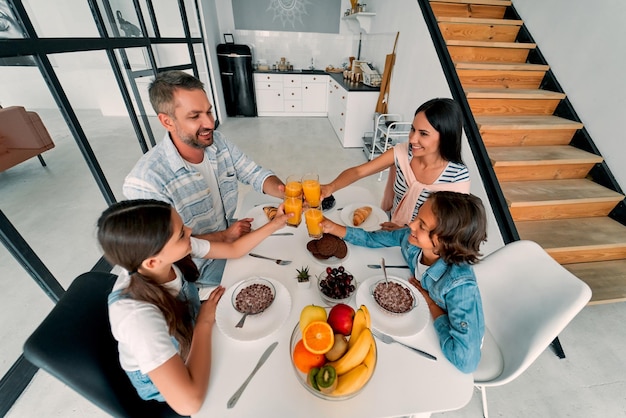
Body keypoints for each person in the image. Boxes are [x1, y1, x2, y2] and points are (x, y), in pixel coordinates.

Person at [97, 199, 290, 414]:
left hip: (192, 333)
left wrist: (276, 224)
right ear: (152, 262)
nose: (190, 230)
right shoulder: (137, 317)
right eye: (181, 233)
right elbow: (189, 402)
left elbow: (233, 249)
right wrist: (204, 323)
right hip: (175, 383)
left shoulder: (164, 252)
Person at [123, 70, 285, 287]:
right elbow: (168, 251)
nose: (210, 123)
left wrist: (285, 190)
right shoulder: (146, 182)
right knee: (277, 276)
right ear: (167, 121)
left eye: (209, 111)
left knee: (290, 245)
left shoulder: (218, 142)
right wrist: (223, 236)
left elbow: (254, 173)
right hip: (199, 266)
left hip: (230, 234)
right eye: (194, 116)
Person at [320, 191, 487, 373]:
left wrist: (431, 304)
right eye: (417, 217)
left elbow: (466, 361)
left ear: (444, 242)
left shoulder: (460, 287)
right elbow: (372, 239)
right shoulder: (411, 240)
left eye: (422, 225)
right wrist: (332, 227)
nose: (411, 224)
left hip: (449, 332)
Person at [320, 98, 470, 230]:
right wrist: (330, 187)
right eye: (413, 129)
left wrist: (403, 230)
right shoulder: (404, 153)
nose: (412, 139)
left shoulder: (457, 177)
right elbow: (359, 172)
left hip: (421, 245)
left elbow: (450, 229)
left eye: (423, 134)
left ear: (445, 136)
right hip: (390, 226)